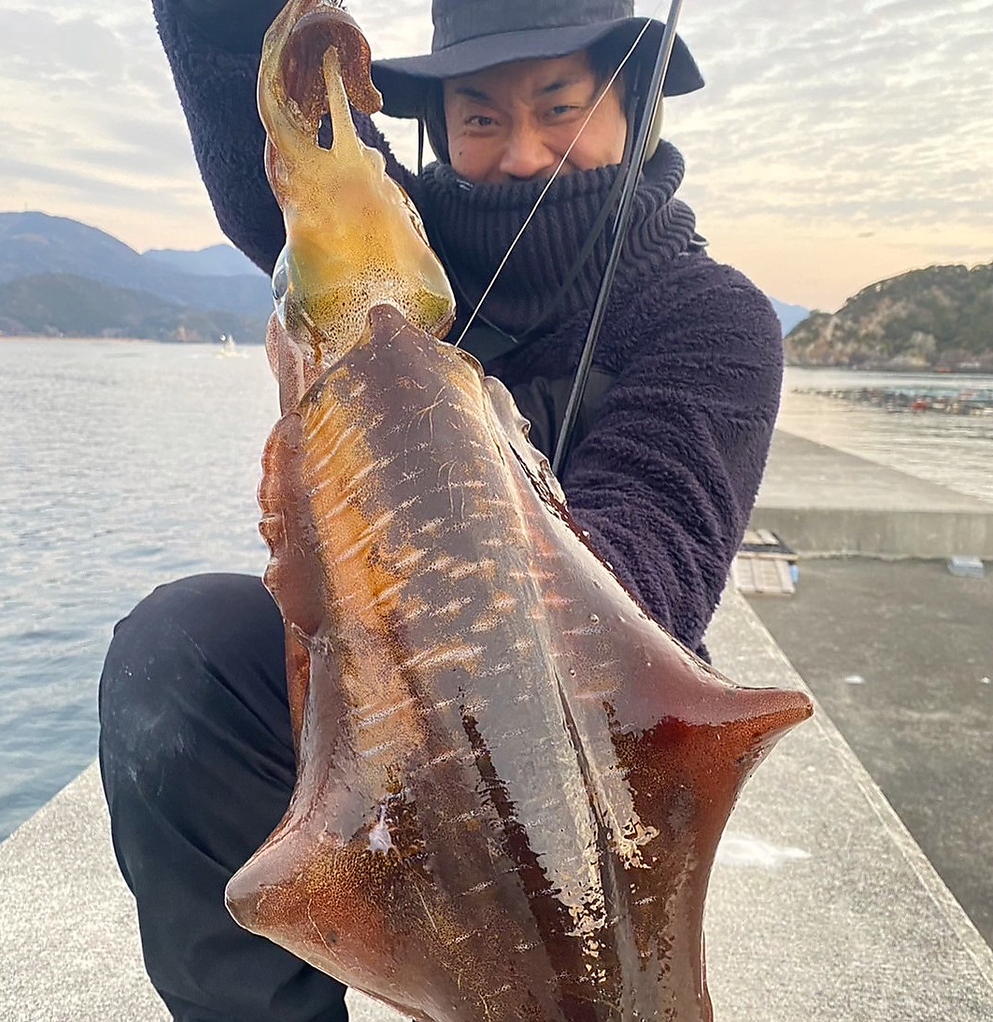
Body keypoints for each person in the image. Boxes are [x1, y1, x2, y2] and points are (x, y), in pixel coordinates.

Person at [98, 1, 784, 1020]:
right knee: (179, 652)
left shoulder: (710, 317)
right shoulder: (401, 251)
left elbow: (658, 567)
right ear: (440, 130)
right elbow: (279, 131)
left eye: (560, 106)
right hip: (370, 685)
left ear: (633, 111)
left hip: (580, 743)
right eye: (478, 117)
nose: (520, 152)